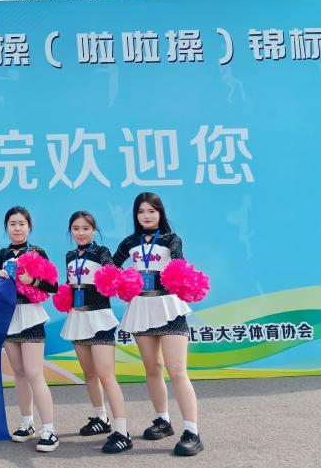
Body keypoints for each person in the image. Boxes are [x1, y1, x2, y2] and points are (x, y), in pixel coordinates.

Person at [113, 192, 203, 457]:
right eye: (141, 211)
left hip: (168, 307)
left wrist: (176, 269)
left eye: (151, 211)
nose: (146, 216)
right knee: (152, 368)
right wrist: (121, 279)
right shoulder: (129, 242)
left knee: (177, 371)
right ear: (135, 215)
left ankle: (192, 431)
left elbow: (178, 261)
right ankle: (163, 420)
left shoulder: (171, 239)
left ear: (160, 213)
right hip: (141, 308)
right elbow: (112, 266)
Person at [60, 211, 132, 454]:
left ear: (94, 230)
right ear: (71, 231)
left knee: (106, 375)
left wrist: (112, 272)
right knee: (89, 373)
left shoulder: (102, 252)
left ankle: (122, 431)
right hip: (78, 318)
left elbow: (112, 275)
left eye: (86, 228)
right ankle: (101, 418)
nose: (80, 233)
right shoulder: (69, 256)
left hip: (99, 318)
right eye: (76, 228)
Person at [0, 206, 59, 452]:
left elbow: (53, 286)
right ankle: (27, 423)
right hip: (9, 317)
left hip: (31, 315)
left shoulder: (37, 252)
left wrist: (31, 280)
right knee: (19, 373)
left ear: (29, 226)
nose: (17, 228)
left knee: (34, 373)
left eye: (21, 224)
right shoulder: (1, 254)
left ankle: (49, 429)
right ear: (6, 227)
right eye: (12, 224)